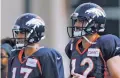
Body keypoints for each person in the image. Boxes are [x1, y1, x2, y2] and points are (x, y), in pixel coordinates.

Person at [65, 2, 120, 78]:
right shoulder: (73, 45)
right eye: (76, 20)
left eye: (81, 21)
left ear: (94, 24)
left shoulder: (106, 43)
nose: (76, 25)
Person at [8, 13, 64, 78]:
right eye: (17, 32)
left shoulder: (45, 56)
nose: (18, 36)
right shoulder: (14, 55)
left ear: (35, 33)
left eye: (22, 32)